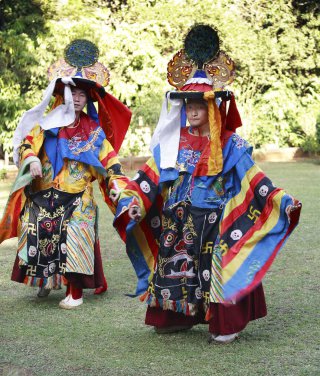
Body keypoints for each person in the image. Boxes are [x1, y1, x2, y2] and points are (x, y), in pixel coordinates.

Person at [113, 25, 301, 343]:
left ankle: (228, 323)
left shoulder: (229, 144)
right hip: (178, 221)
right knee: (174, 265)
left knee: (219, 264)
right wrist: (132, 202)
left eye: (200, 104)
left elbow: (256, 181)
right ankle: (175, 316)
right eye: (189, 104)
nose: (194, 110)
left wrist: (282, 200)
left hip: (215, 220)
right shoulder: (173, 142)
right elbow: (148, 178)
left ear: (213, 106)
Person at [0, 39, 131, 309]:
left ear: (89, 98)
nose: (79, 98)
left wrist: (117, 184)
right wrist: (32, 158)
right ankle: (45, 280)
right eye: (74, 93)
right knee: (36, 229)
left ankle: (76, 292)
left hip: (77, 197)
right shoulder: (46, 124)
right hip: (43, 194)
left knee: (75, 233)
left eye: (84, 94)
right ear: (62, 94)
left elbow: (110, 162)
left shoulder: (94, 132)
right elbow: (26, 144)